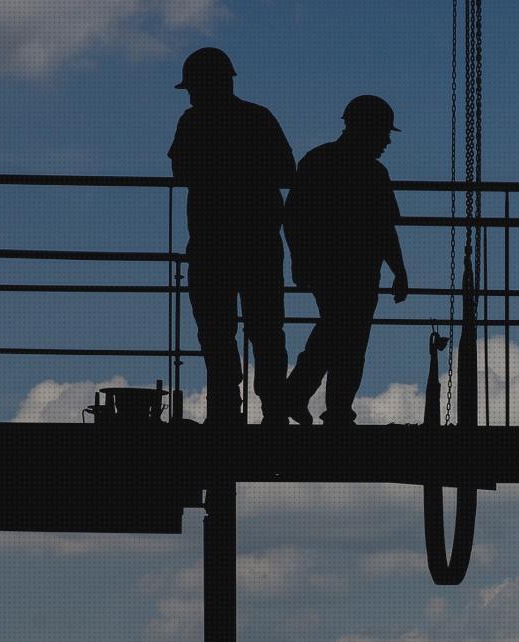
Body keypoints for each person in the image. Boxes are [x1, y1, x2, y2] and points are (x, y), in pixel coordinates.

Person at [168, 47, 295, 426]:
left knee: (215, 330)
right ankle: (273, 410)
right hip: (259, 243)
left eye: (193, 87)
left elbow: (181, 173)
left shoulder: (192, 122)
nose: (190, 94)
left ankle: (225, 408)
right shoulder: (258, 118)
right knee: (267, 331)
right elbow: (288, 173)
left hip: (211, 244)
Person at [284, 95, 409, 425]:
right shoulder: (372, 172)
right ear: (367, 129)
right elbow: (384, 229)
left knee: (338, 332)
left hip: (334, 267)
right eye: (383, 132)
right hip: (356, 269)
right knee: (347, 338)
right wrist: (399, 271)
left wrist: (299, 260)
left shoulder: (319, 161)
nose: (386, 141)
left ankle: (305, 398)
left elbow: (293, 217)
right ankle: (328, 406)